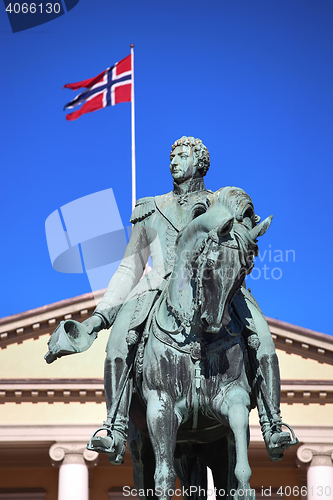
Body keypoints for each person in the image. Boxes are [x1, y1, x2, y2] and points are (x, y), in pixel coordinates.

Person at [83, 136, 294, 464]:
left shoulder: (221, 204)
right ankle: (114, 427)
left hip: (218, 286)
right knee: (118, 343)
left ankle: (272, 422)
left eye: (182, 155)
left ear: (200, 162)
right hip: (157, 287)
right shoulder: (150, 207)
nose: (174, 161)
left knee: (263, 339)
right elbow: (130, 266)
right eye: (172, 156)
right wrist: (100, 317)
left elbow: (242, 247)